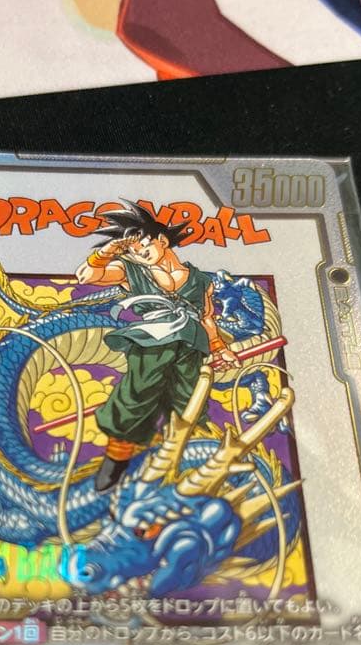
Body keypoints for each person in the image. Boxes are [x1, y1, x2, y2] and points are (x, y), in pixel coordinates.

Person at [75, 201, 239, 491]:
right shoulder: (131, 271)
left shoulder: (201, 280)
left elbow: (206, 318)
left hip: (191, 345)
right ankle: (117, 460)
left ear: (162, 240)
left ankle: (186, 460)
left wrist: (219, 348)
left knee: (190, 401)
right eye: (133, 251)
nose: (140, 253)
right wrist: (107, 253)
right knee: (137, 394)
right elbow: (86, 276)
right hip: (153, 341)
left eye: (143, 245)